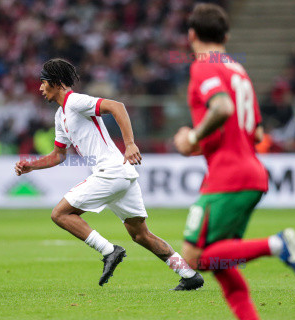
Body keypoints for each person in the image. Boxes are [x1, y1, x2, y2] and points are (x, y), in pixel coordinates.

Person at [15, 58, 204, 288]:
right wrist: (31, 165)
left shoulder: (75, 101)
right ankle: (189, 276)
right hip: (121, 174)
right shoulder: (60, 116)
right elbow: (58, 155)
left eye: (43, 82)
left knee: (60, 214)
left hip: (111, 172)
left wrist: (130, 144)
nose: (40, 88)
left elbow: (117, 107)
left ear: (55, 83)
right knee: (140, 235)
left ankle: (109, 250)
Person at [173, 4, 295, 319]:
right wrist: (202, 144)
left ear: (191, 35)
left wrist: (191, 138)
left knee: (193, 257)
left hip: (228, 176)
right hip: (251, 172)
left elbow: (223, 108)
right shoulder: (239, 70)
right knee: (219, 262)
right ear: (226, 35)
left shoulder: (204, 65)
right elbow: (255, 134)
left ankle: (278, 245)